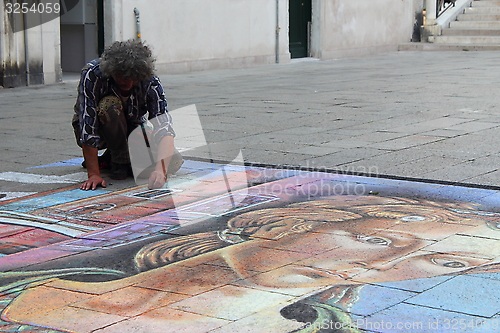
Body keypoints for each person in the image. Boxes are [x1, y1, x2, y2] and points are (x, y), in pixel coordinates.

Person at [1, 195, 499, 332]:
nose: (386, 265)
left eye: (445, 261)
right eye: (372, 238)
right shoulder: (26, 282)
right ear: (285, 223)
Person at [72, 39, 183, 191]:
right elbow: (87, 123)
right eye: (123, 79)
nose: (129, 84)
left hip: (132, 127)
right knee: (109, 106)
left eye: (134, 80)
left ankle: (112, 159)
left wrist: (160, 170)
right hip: (101, 127)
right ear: (112, 72)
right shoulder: (93, 74)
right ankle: (119, 160)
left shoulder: (150, 81)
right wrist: (93, 174)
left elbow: (164, 126)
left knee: (173, 161)